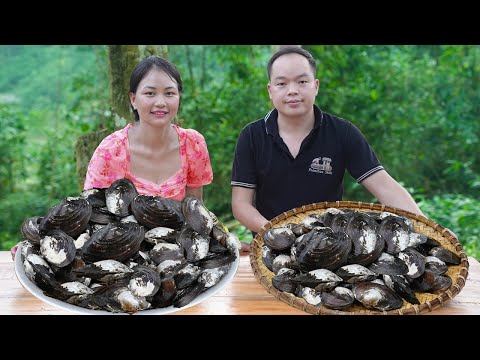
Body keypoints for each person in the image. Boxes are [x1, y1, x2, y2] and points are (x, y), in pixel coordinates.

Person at [11, 55, 213, 260]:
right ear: (133, 99)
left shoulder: (193, 143)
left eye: (169, 93)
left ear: (179, 96)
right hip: (123, 259)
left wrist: (220, 242)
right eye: (150, 93)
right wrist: (38, 243)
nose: (160, 102)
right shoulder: (111, 150)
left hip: (177, 257)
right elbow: (88, 215)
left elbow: (195, 209)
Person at [231, 46, 426, 254]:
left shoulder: (343, 133)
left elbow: (386, 187)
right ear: (270, 91)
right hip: (271, 249)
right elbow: (241, 205)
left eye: (302, 81)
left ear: (316, 86)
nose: (292, 90)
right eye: (282, 83)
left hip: (330, 250)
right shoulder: (251, 136)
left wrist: (427, 229)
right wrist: (277, 235)